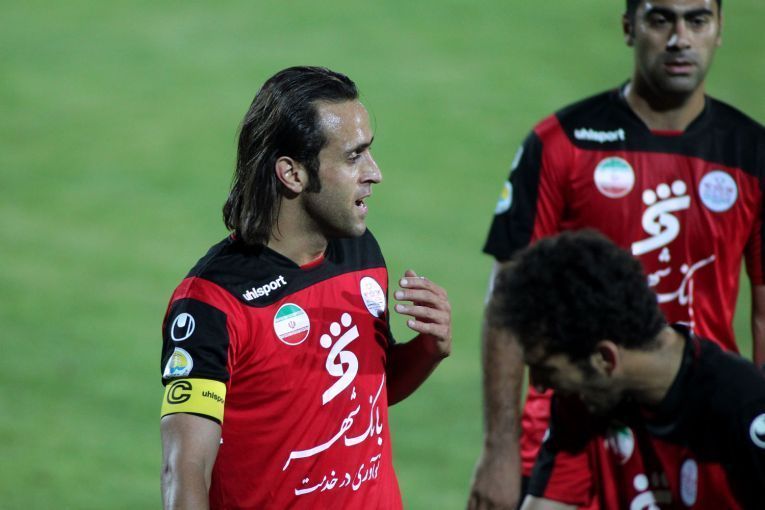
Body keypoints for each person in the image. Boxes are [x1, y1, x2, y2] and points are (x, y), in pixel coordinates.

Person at [468, 1, 765, 508]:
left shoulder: (752, 154)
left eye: (697, 20)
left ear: (719, 30)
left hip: (701, 422)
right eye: (660, 19)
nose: (679, 38)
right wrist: (499, 449)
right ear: (630, 27)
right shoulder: (562, 143)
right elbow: (508, 299)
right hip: (575, 419)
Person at [159, 66, 452, 509]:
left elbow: (365, 391)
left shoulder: (360, 253)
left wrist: (429, 348)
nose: (374, 173)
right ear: (292, 174)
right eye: (354, 157)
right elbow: (185, 470)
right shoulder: (211, 304)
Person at [489, 230, 765, 509]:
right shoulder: (582, 403)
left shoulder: (743, 410)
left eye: (546, 369)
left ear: (605, 358)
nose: (538, 385)